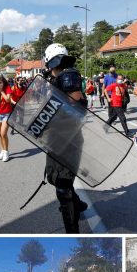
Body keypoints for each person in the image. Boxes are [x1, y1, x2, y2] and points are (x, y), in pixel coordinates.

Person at [42, 43, 89, 233]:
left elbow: (75, 104)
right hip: (58, 138)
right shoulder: (57, 78)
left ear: (49, 61)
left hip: (67, 138)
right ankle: (77, 204)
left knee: (62, 186)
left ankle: (72, 230)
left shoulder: (67, 75)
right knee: (56, 178)